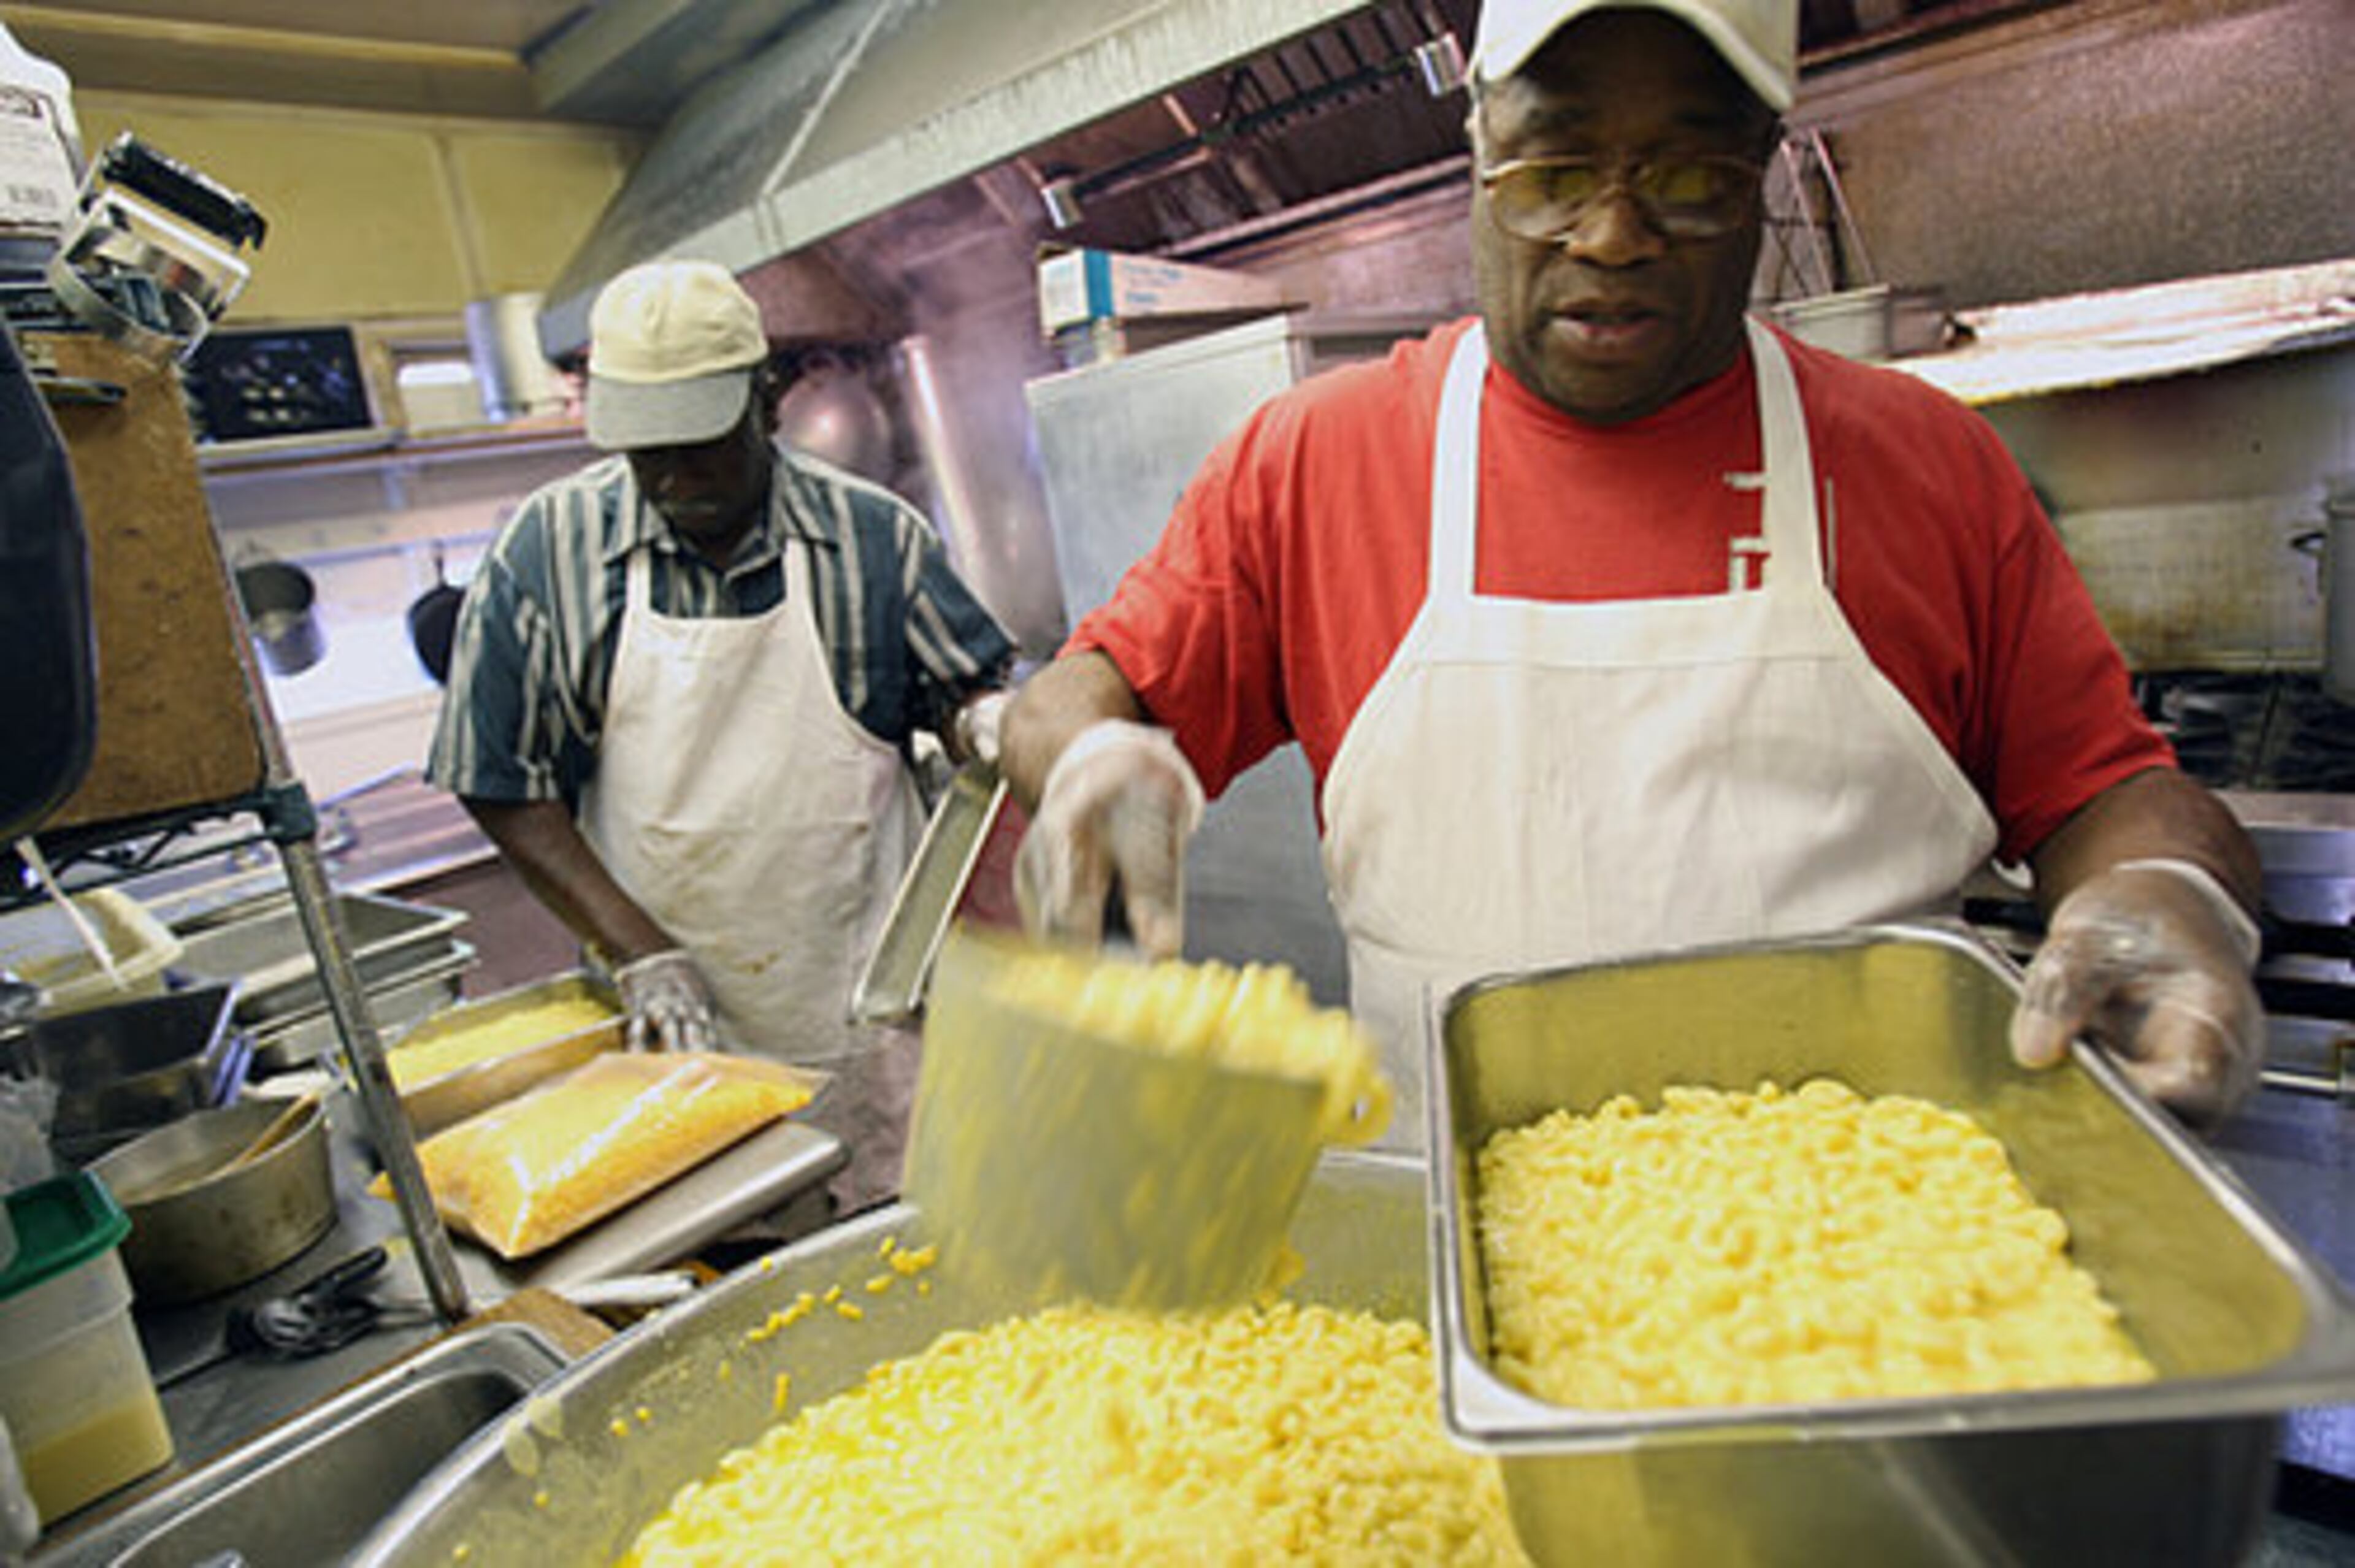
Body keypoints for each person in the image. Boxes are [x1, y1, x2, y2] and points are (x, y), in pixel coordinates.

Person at [999, 0, 2265, 1148]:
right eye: (1552, 173)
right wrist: (1095, 761)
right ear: (1478, 156)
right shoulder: (1315, 463)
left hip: (1873, 1263)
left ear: (1765, 168)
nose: (1612, 236)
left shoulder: (1927, 464)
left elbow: (2106, 795)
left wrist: (2170, 889)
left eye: (1686, 177)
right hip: (1442, 1274)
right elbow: (1087, 694)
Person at [428, 258, 1016, 1208]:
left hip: (872, 1008)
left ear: (766, 399)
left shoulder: (874, 538)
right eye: (645, 451)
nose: (673, 477)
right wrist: (642, 953)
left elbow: (964, 692)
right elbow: (500, 777)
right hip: (675, 1020)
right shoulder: (549, 552)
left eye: (699, 445)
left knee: (901, 1245)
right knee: (721, 1261)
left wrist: (988, 720)